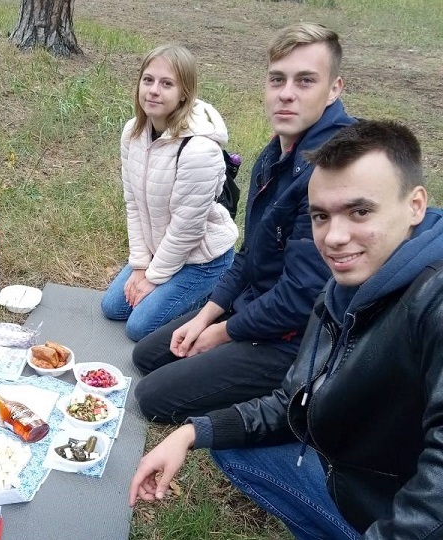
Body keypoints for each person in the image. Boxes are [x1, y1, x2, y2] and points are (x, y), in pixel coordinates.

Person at [129, 120, 443, 539]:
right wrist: (192, 432)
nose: (335, 237)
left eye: (360, 211)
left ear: (415, 205)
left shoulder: (433, 301)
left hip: (394, 505)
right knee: (227, 444)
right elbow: (294, 400)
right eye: (321, 216)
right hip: (363, 471)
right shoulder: (342, 288)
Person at [132, 23, 356, 422]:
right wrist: (206, 317)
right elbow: (250, 254)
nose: (286, 93)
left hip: (300, 337)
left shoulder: (335, 168)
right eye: (277, 79)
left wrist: (222, 333)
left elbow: (302, 298)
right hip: (258, 306)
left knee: (152, 397)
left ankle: (289, 394)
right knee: (148, 355)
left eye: (305, 81)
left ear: (333, 88)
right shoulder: (274, 155)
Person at [100, 44, 238, 342]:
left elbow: (186, 230)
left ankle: (217, 293)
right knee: (112, 307)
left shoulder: (199, 150)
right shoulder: (132, 133)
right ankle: (169, 285)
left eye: (166, 84)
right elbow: (133, 204)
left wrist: (153, 278)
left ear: (184, 93)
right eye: (148, 80)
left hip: (202, 260)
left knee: (139, 328)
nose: (153, 91)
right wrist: (140, 266)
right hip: (160, 250)